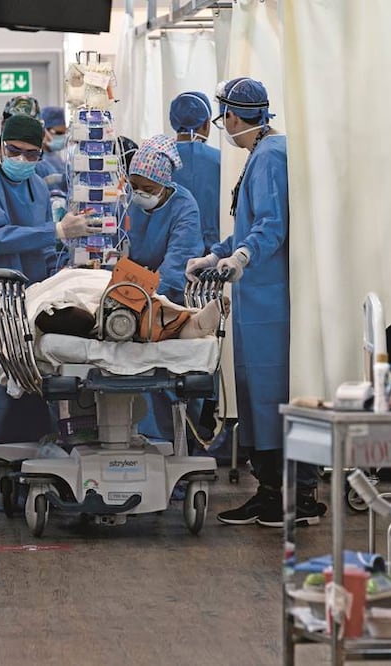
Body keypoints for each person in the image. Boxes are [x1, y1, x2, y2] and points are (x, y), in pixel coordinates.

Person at [185, 77, 325, 528]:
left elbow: (270, 225)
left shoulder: (269, 158)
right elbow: (249, 224)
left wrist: (242, 255)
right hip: (256, 296)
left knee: (272, 395)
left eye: (223, 117)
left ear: (229, 116)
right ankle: (276, 492)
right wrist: (218, 253)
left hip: (270, 301)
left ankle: (289, 496)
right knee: (259, 394)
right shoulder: (262, 155)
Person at [0, 114, 101, 461]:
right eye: (15, 151)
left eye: (32, 154)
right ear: (0, 145)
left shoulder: (37, 186)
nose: (23, 160)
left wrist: (70, 271)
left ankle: (19, 444)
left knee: (20, 366)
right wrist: (58, 231)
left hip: (20, 296)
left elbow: (41, 249)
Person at [126, 135, 204, 443]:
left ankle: (170, 444)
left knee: (166, 377)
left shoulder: (184, 207)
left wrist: (144, 291)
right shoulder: (127, 201)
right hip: (126, 289)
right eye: (134, 187)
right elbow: (116, 243)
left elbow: (176, 265)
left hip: (166, 296)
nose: (139, 194)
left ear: (165, 184)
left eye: (148, 189)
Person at [169, 91, 222, 249]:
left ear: (173, 121)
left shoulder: (160, 160)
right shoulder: (220, 160)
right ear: (206, 124)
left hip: (170, 252)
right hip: (212, 253)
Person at [0, 95, 57, 184]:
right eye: (13, 150)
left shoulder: (42, 167)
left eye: (31, 153)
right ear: (3, 125)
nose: (21, 158)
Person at [40, 106, 69, 193]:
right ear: (44, 131)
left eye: (65, 133)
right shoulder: (38, 162)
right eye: (59, 133)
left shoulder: (56, 157)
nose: (63, 137)